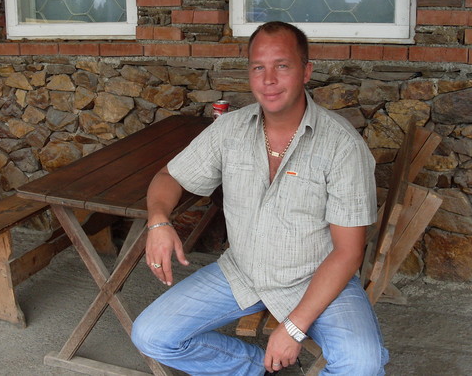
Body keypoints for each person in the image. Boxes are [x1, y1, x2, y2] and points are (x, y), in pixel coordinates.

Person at [131, 21, 389, 375]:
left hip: (317, 277)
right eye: (258, 67)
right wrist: (159, 221)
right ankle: (257, 369)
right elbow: (168, 177)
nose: (268, 79)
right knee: (151, 335)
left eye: (282, 66)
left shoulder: (342, 146)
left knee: (362, 363)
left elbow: (348, 252)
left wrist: (293, 327)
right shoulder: (230, 129)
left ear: (306, 71)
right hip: (243, 272)